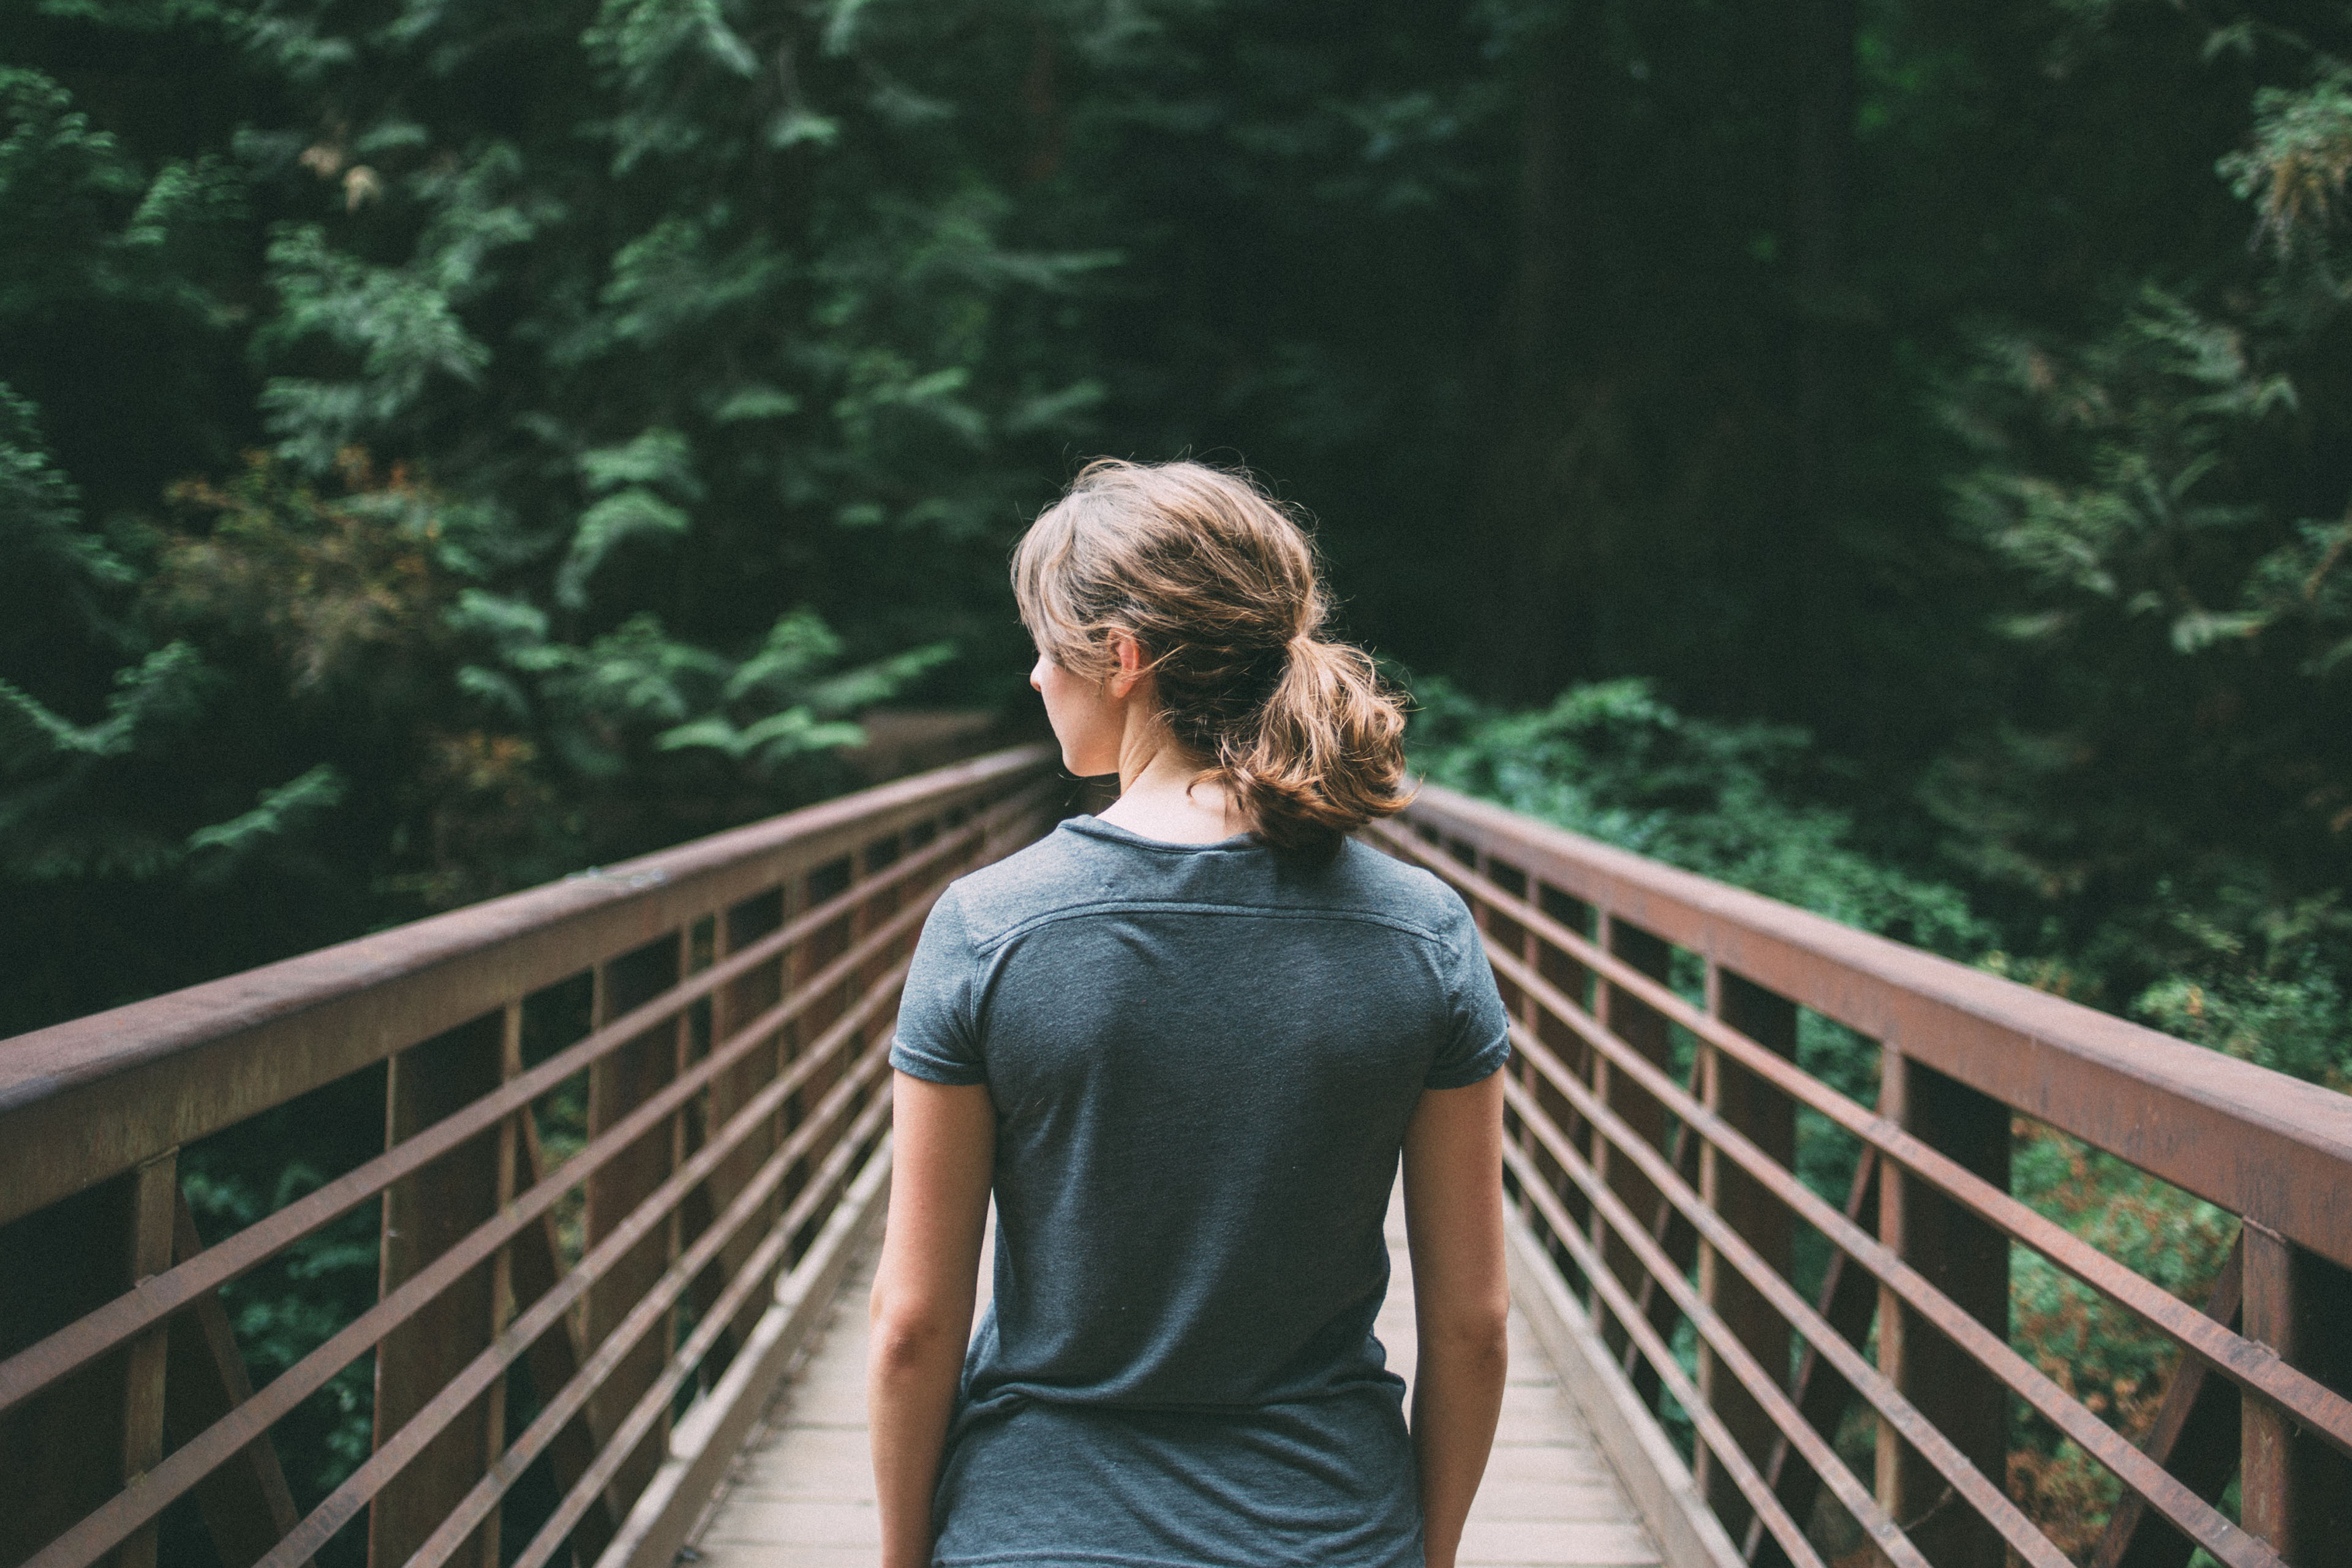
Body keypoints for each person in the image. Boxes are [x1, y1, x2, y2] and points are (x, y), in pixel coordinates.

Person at [867, 458, 1513, 1568]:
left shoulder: (988, 928)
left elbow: (915, 1324)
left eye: (1043, 645)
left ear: (1119, 659)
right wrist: (1428, 1552)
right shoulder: (1423, 933)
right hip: (1329, 1529)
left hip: (1041, 1531)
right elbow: (1475, 1323)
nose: (1032, 678)